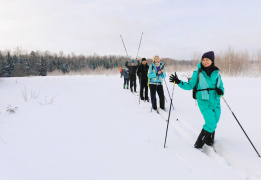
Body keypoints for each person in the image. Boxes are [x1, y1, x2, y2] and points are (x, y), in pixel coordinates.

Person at [169, 51, 224, 149]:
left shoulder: (217, 73)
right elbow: (190, 85)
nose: (205, 62)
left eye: (207, 60)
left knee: (215, 120)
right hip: (204, 100)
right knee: (210, 122)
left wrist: (220, 91)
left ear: (212, 61)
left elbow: (221, 87)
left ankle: (209, 142)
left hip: (215, 101)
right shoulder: (198, 72)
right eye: (203, 60)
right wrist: (178, 82)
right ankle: (198, 145)